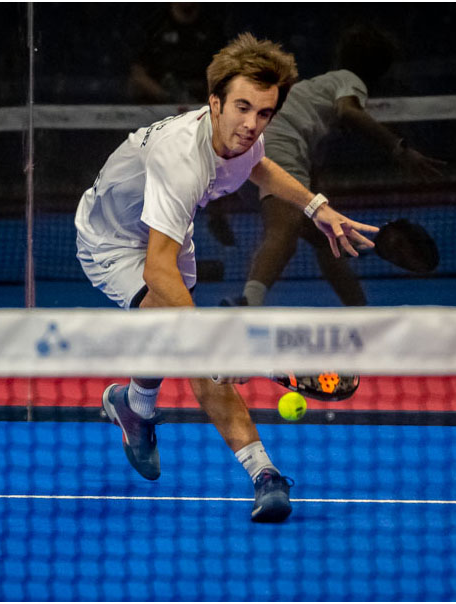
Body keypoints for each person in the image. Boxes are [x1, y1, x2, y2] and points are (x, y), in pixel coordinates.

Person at [75, 33, 378, 523]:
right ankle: (264, 474)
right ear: (213, 102)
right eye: (242, 108)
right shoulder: (180, 160)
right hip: (111, 242)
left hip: (168, 234)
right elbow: (156, 268)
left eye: (264, 113)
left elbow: (260, 168)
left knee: (177, 334)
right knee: (192, 343)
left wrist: (315, 207)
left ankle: (135, 405)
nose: (252, 124)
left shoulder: (244, 139)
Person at [228, 26, 445, 308]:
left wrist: (322, 209)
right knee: (285, 229)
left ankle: (359, 313)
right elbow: (349, 111)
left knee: (327, 238)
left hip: (241, 144)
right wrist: (399, 148)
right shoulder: (349, 81)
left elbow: (312, 167)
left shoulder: (317, 95)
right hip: (275, 142)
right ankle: (249, 304)